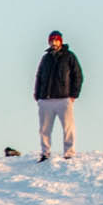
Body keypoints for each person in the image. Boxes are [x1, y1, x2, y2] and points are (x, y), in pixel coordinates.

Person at [34, 30, 83, 161]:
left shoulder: (69, 56)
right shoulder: (46, 58)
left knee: (68, 127)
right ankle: (45, 153)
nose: (53, 43)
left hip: (64, 98)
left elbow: (77, 75)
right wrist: (38, 95)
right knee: (44, 129)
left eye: (56, 40)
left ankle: (69, 152)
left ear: (60, 41)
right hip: (46, 99)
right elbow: (39, 76)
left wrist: (74, 94)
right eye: (51, 40)